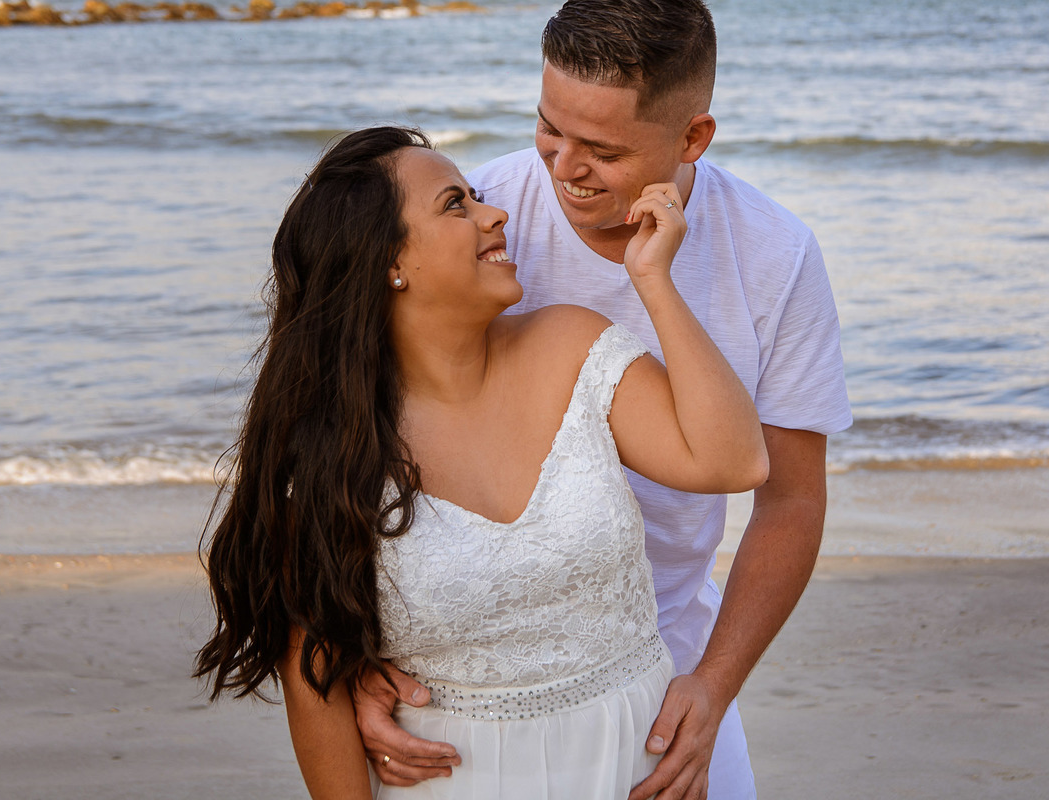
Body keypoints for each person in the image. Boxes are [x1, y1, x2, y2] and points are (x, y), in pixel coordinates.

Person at [354, 2, 853, 799]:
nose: (561, 168)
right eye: (550, 127)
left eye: (603, 150)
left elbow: (790, 498)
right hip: (474, 667)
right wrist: (349, 661)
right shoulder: (486, 223)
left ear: (692, 138)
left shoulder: (774, 253)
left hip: (670, 658)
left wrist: (715, 682)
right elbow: (355, 440)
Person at [194, 126, 768, 798]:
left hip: (641, 770)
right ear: (388, 262)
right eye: (454, 205)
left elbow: (733, 461)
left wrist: (652, 280)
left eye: (477, 196)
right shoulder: (332, 453)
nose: (494, 216)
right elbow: (312, 675)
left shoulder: (573, 345)